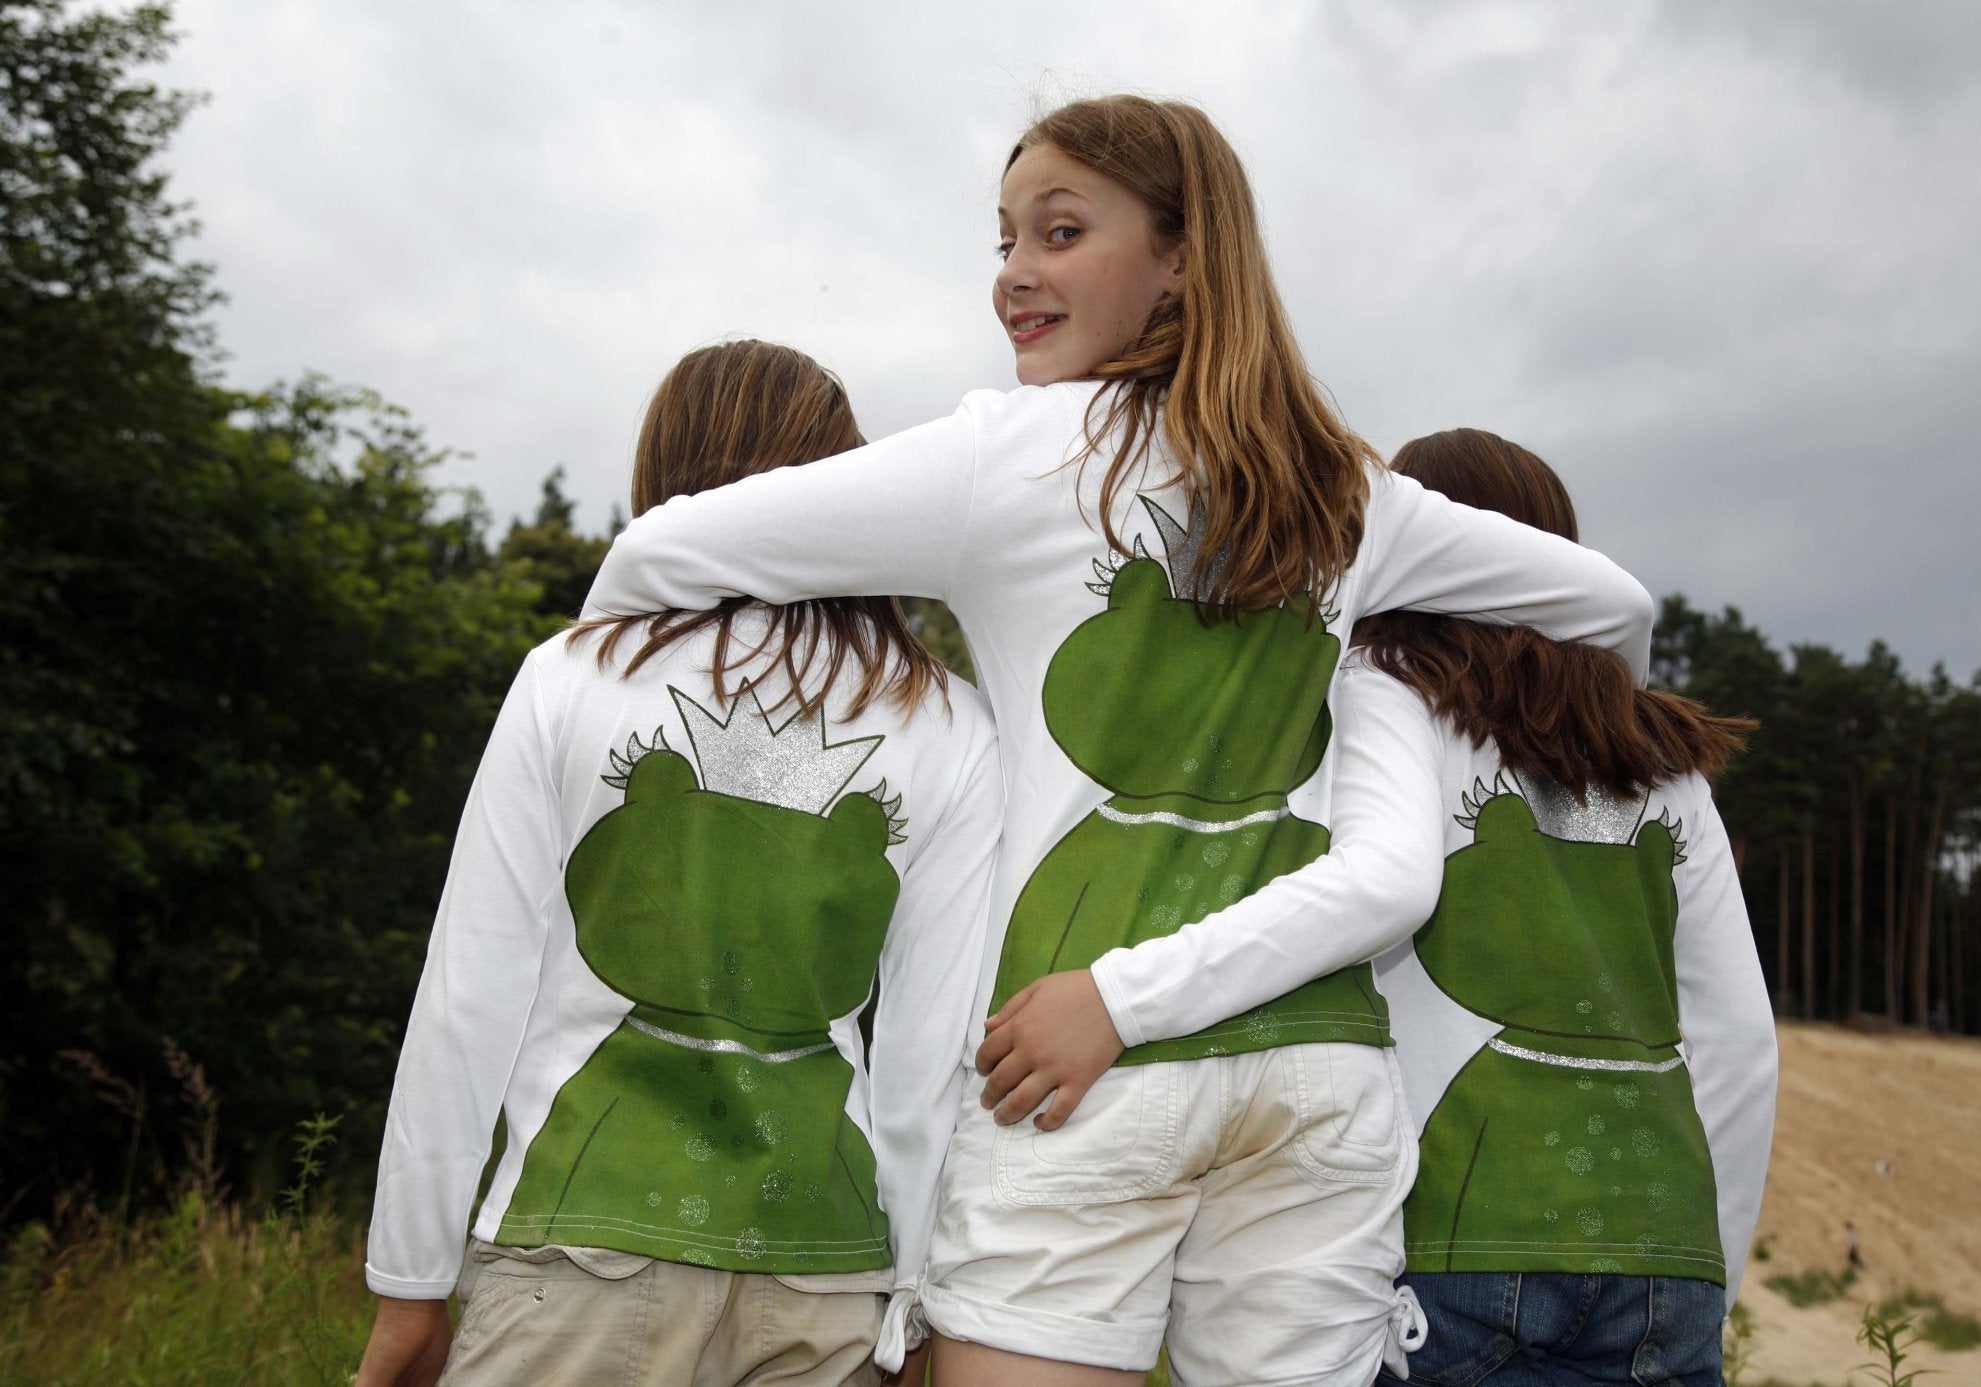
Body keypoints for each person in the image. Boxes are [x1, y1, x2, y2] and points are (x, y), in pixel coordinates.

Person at [580, 97, 1656, 1387]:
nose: (1014, 276)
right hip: (1313, 1080)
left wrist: (614, 699)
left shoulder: (1007, 457)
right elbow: (1612, 607)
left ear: (1183, 256)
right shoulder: (1351, 493)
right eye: (1003, 242)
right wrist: (1399, 683)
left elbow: (658, 551)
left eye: (1059, 232)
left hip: (1073, 1067)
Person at [355, 341, 1000, 1387]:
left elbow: (468, 997)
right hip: (824, 1274)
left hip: (577, 1257)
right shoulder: (946, 721)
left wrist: (409, 1279)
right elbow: (932, 1057)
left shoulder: (570, 674)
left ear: (667, 477)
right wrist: (906, 1307)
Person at [1340, 429, 1777, 1385]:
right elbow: (1739, 1039)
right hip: (1668, 1257)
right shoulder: (1667, 765)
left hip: (1451, 1241)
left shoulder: (1382, 714)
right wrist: (1709, 1266)